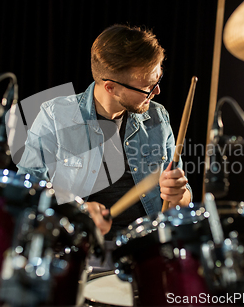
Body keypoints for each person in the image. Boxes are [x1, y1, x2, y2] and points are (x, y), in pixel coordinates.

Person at [17, 24, 191, 239]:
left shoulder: (157, 116)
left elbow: (183, 198)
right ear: (111, 87)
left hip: (145, 247)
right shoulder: (54, 117)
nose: (157, 91)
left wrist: (179, 194)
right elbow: (25, 194)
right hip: (82, 244)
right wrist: (76, 211)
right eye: (148, 86)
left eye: (158, 79)